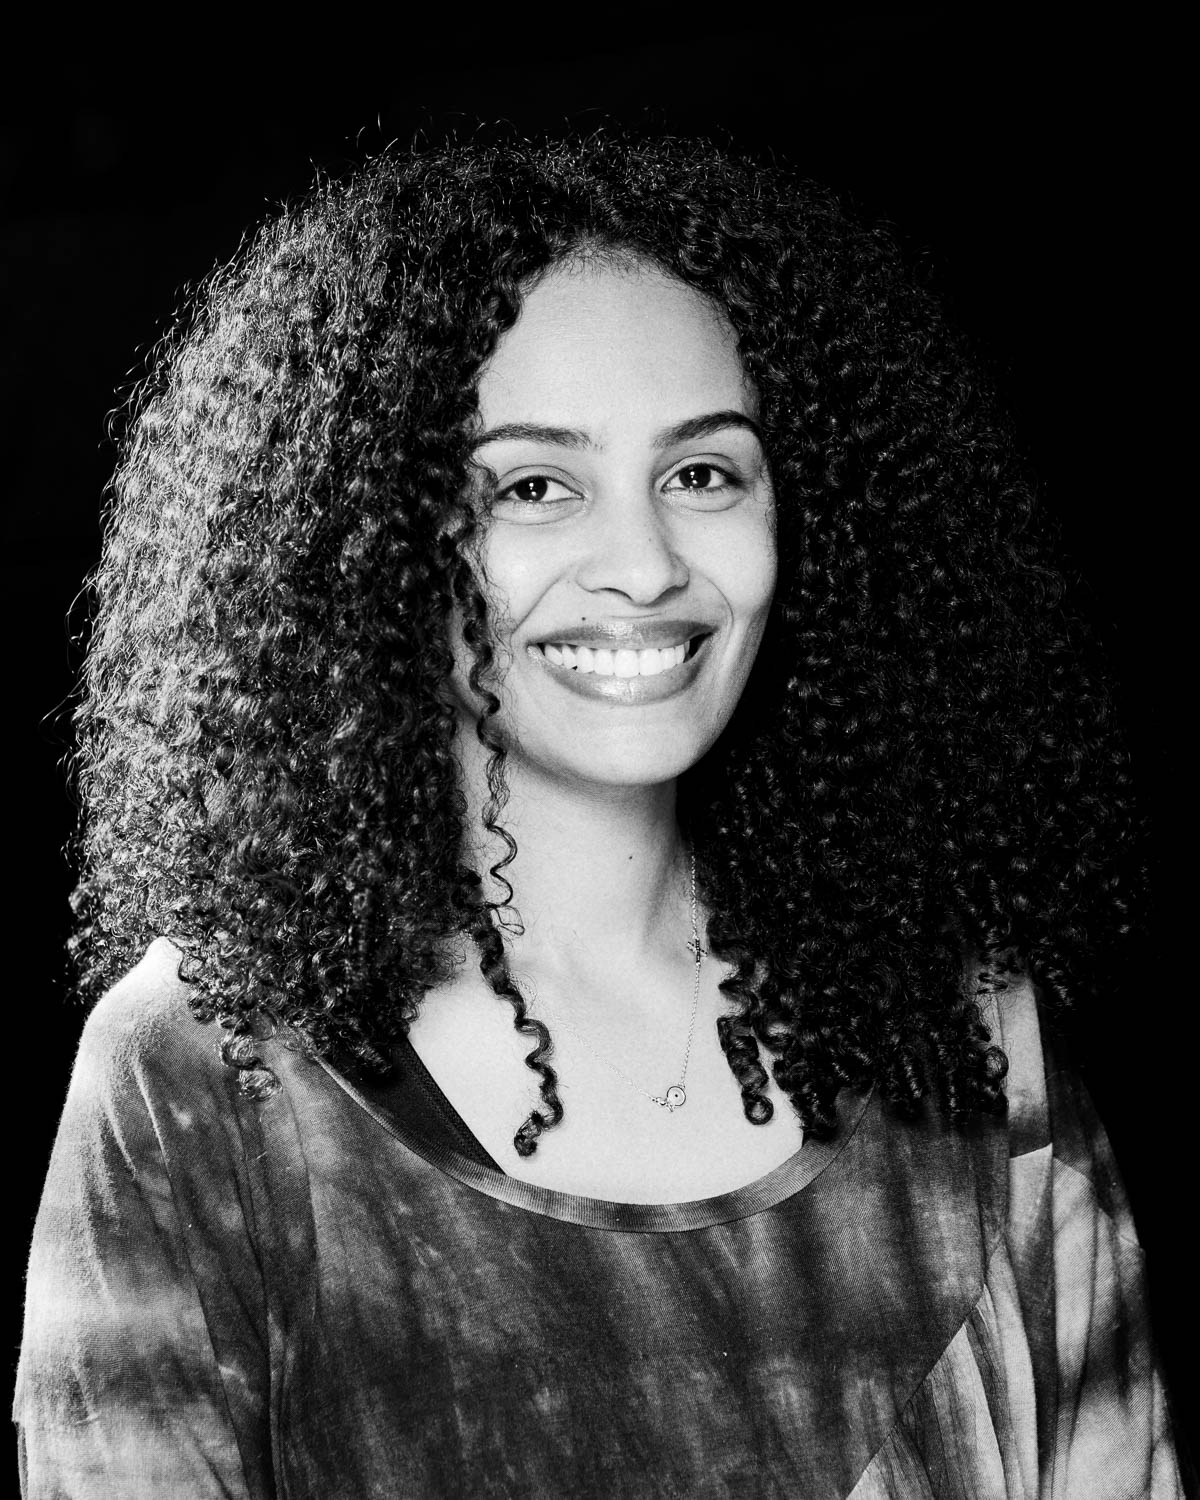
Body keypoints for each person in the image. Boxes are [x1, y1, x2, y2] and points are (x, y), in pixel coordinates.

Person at [14, 134, 1183, 1497]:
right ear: (370, 532)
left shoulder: (976, 1037)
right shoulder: (205, 1078)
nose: (643, 564)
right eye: (534, 486)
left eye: (704, 474)